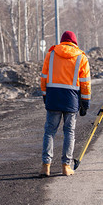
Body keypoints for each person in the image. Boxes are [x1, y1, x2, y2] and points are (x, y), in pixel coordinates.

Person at [39, 31, 91, 177]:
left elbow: (43, 77)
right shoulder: (81, 57)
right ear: (75, 42)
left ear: (62, 41)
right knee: (69, 132)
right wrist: (85, 103)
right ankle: (66, 167)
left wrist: (45, 95)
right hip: (71, 99)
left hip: (53, 97)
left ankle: (45, 166)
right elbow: (85, 83)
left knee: (49, 132)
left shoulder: (51, 54)